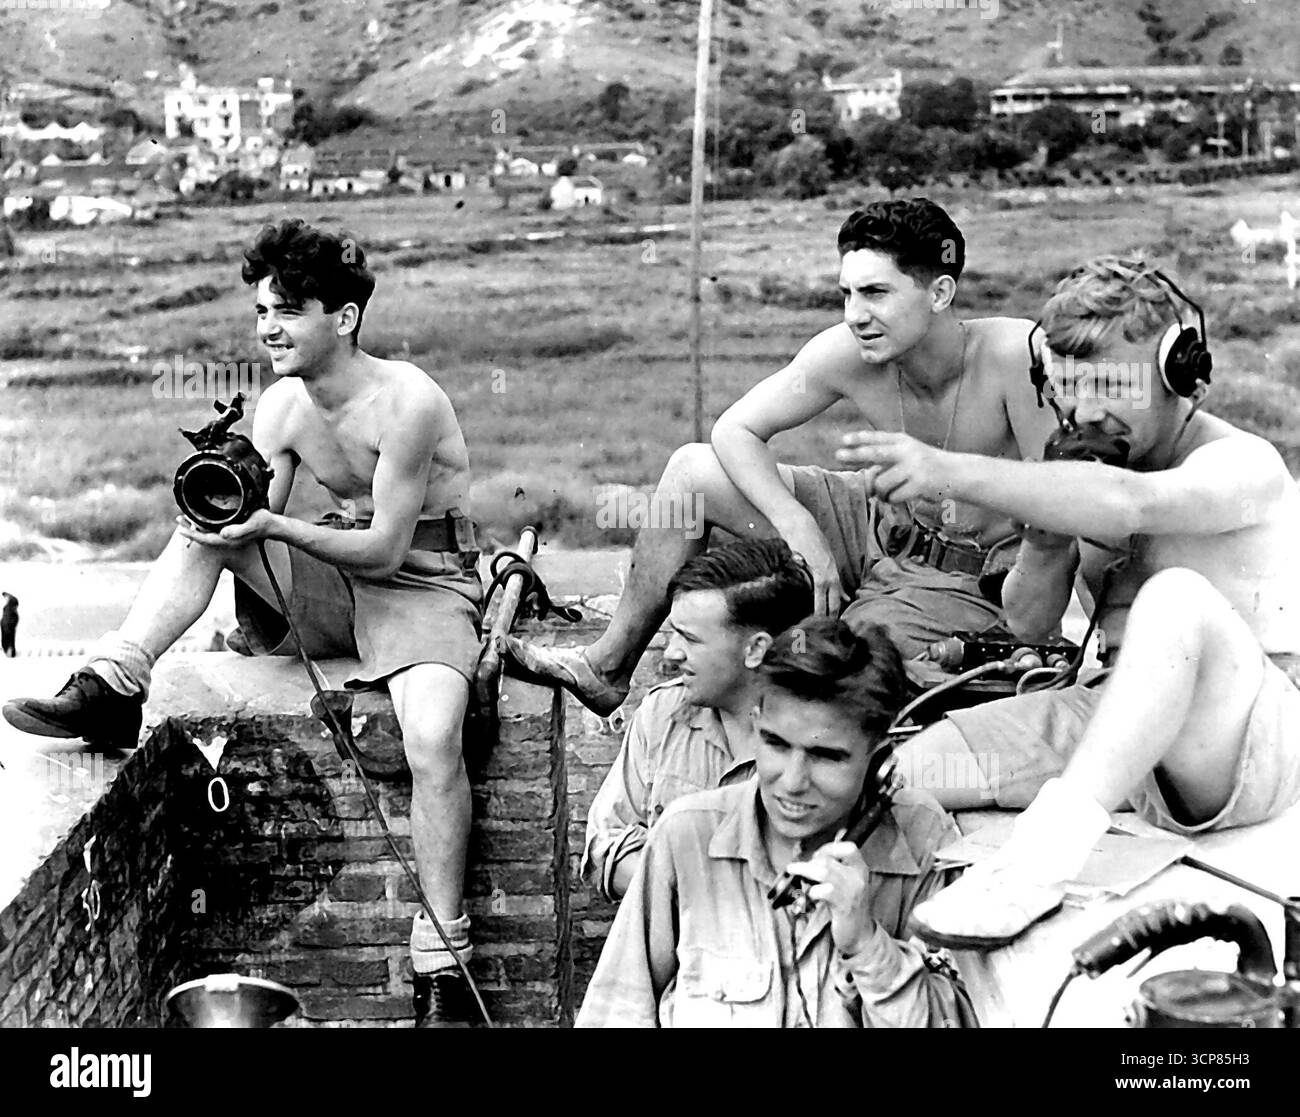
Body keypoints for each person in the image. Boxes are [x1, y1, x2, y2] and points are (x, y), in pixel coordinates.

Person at [3, 219, 485, 1025]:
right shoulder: (283, 405)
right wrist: (227, 501)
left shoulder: (408, 401)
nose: (268, 328)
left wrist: (276, 530)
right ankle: (117, 678)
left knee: (433, 737)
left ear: (344, 318)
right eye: (261, 310)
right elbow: (250, 517)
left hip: (422, 586)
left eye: (288, 310)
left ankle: (443, 970)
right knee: (205, 532)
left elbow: (383, 548)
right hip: (336, 578)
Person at [837, 256, 1300, 943]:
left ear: (1178, 373)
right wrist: (1048, 539)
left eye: (1110, 387)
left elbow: (1131, 504)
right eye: (1070, 391)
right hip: (1114, 714)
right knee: (901, 771)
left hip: (1243, 737)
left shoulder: (1242, 464)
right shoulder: (1089, 476)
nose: (1086, 413)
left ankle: (1034, 867)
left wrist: (947, 468)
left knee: (1174, 600)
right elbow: (1028, 620)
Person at [506, 197, 1059, 716]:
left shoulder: (1018, 359)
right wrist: (799, 529)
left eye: (875, 293)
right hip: (878, 526)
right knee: (691, 474)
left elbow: (1063, 512)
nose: (854, 314)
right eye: (846, 293)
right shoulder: (852, 352)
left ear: (939, 293)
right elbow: (736, 429)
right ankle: (608, 667)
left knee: (842, 672)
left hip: (969, 578)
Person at [575, 616, 965, 1027]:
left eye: (826, 756)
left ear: (879, 757)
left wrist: (867, 945)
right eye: (775, 744)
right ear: (756, 724)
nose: (793, 783)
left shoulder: (923, 839)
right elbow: (616, 1010)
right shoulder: (686, 834)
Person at [584, 538, 814, 902]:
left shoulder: (824, 740)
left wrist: (671, 874)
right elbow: (604, 849)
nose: (672, 653)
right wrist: (709, 888)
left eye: (690, 639)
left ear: (755, 649)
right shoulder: (663, 713)